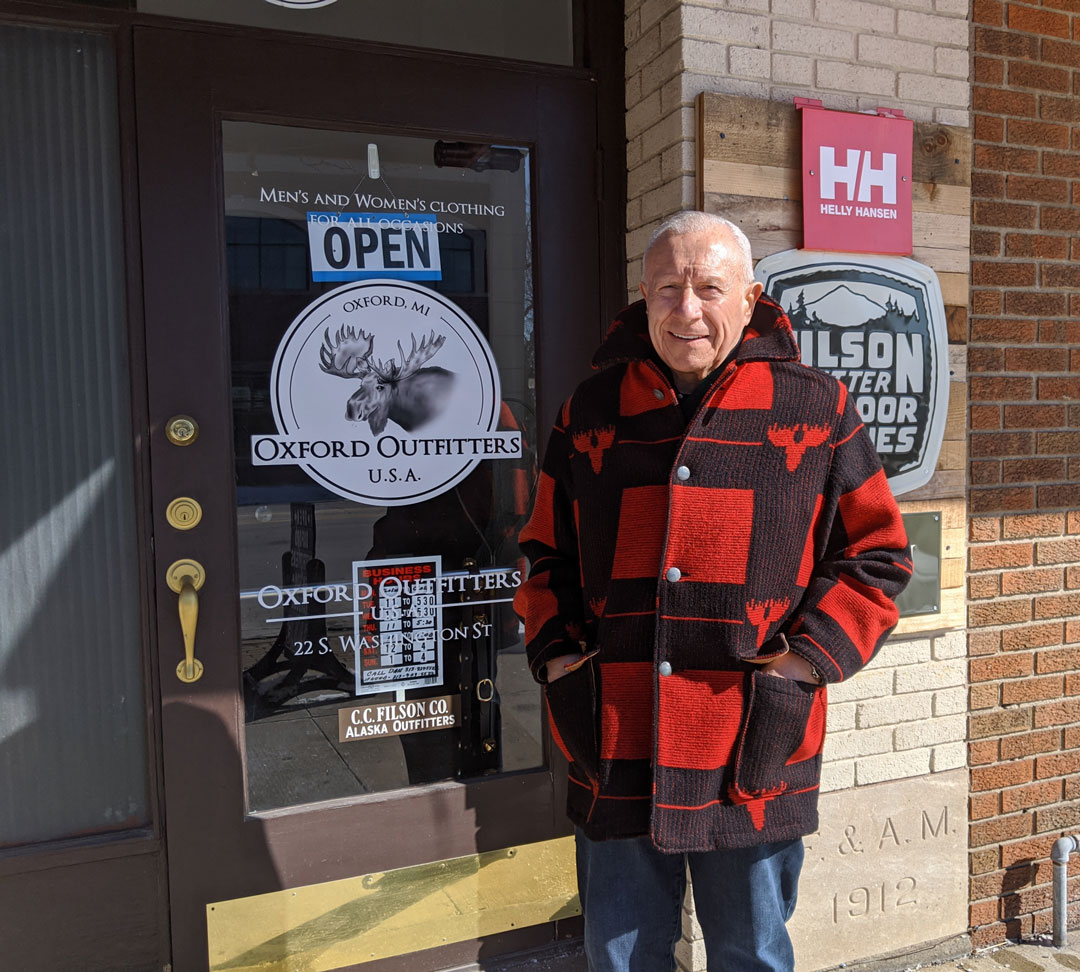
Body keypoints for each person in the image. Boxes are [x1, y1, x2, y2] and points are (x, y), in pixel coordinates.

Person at [513, 211, 912, 972]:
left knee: (750, 954)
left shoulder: (814, 407)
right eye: (667, 288)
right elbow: (543, 552)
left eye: (708, 288)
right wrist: (561, 658)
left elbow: (877, 554)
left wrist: (807, 661)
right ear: (642, 295)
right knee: (619, 955)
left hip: (750, 745)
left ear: (751, 297)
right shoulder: (590, 410)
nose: (686, 309)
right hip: (613, 731)